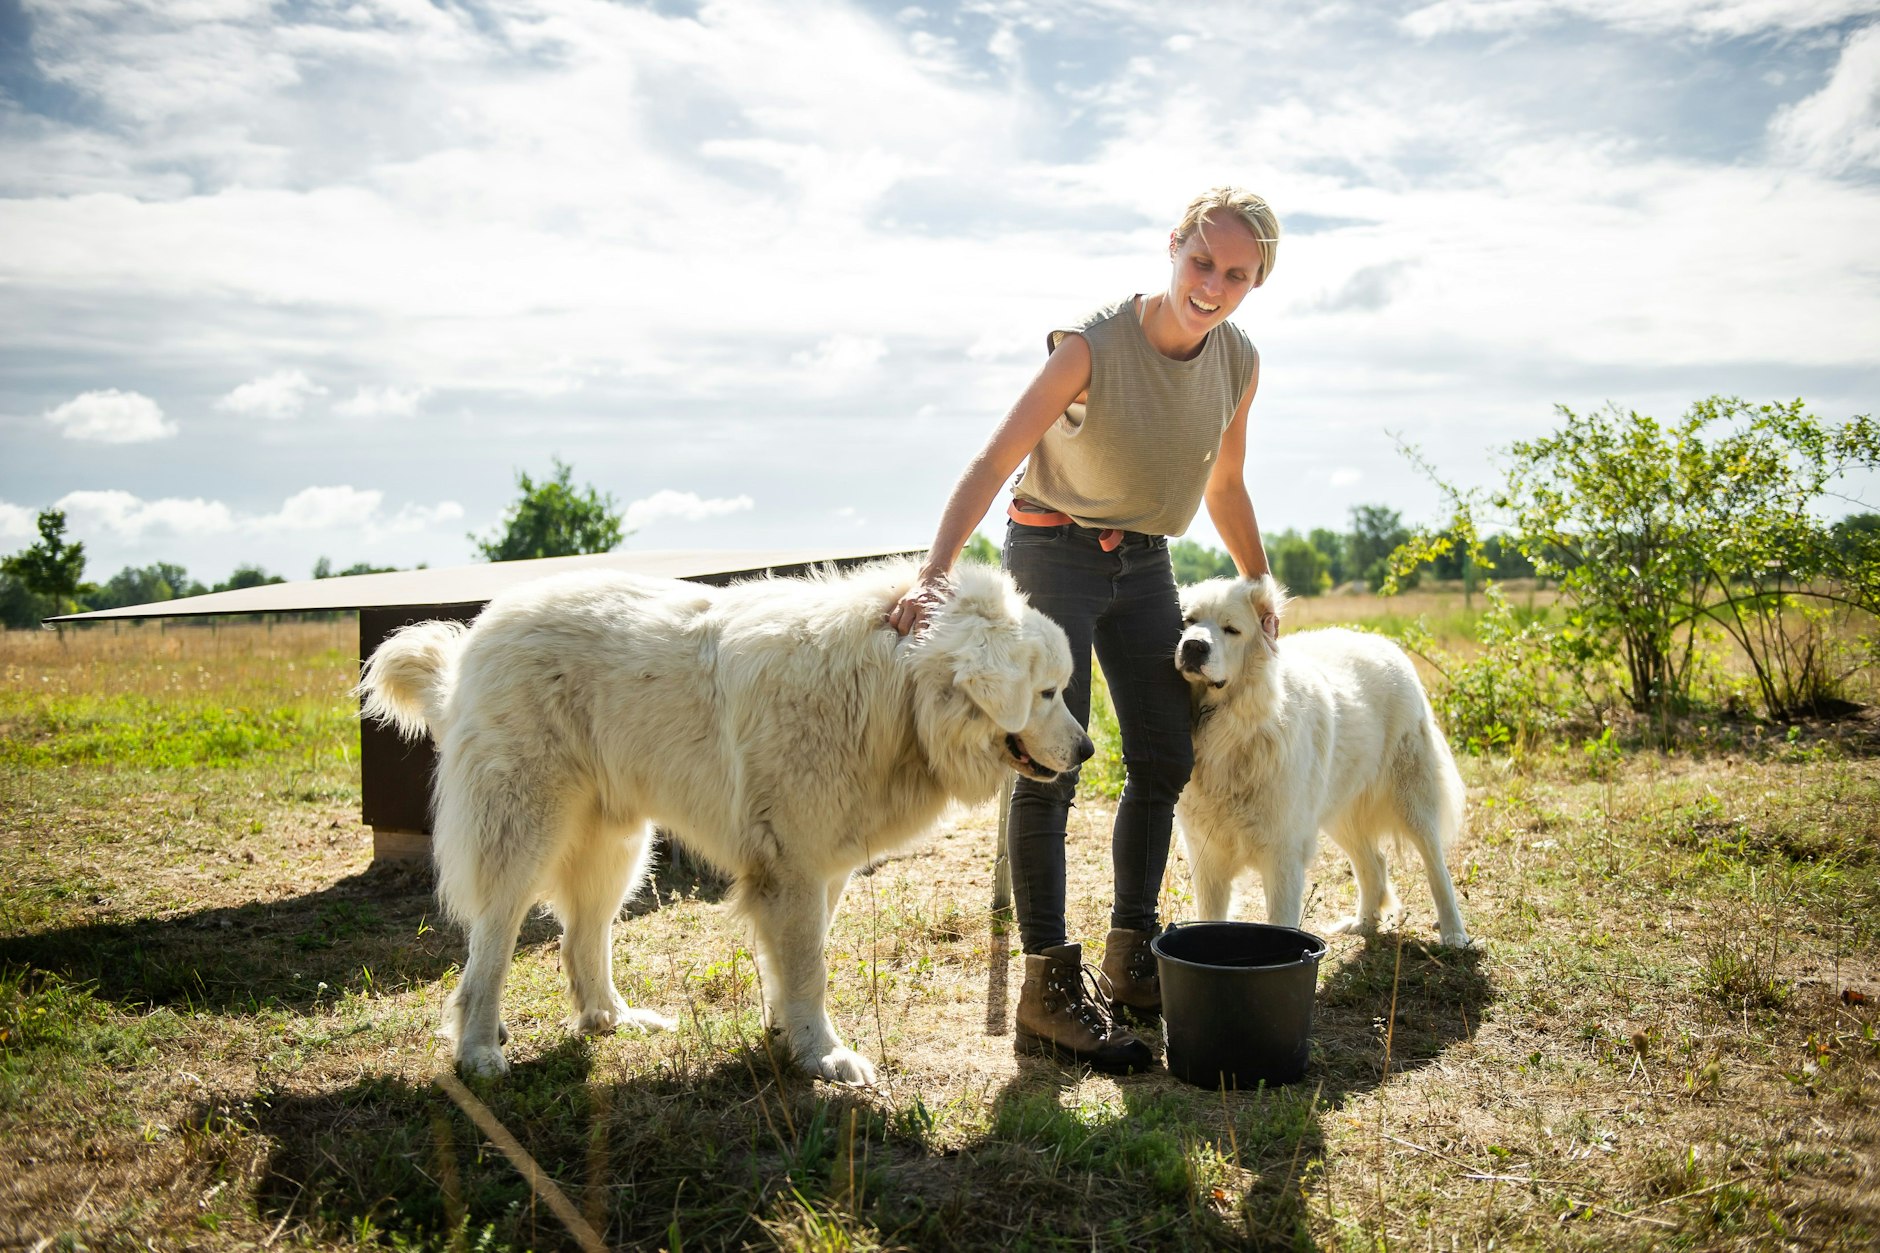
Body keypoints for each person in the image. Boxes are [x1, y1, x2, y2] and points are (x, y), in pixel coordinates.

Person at [887, 187, 1281, 1073]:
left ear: (1255, 283)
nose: (1212, 286)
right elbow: (993, 459)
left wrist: (1258, 587)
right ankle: (1048, 990)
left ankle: (1131, 957)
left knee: (1165, 753)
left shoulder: (1239, 362)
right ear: (1173, 245)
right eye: (1201, 262)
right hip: (1052, 548)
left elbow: (1224, 485)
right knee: (1048, 758)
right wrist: (935, 573)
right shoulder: (1092, 346)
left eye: (1236, 275)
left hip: (1143, 562)